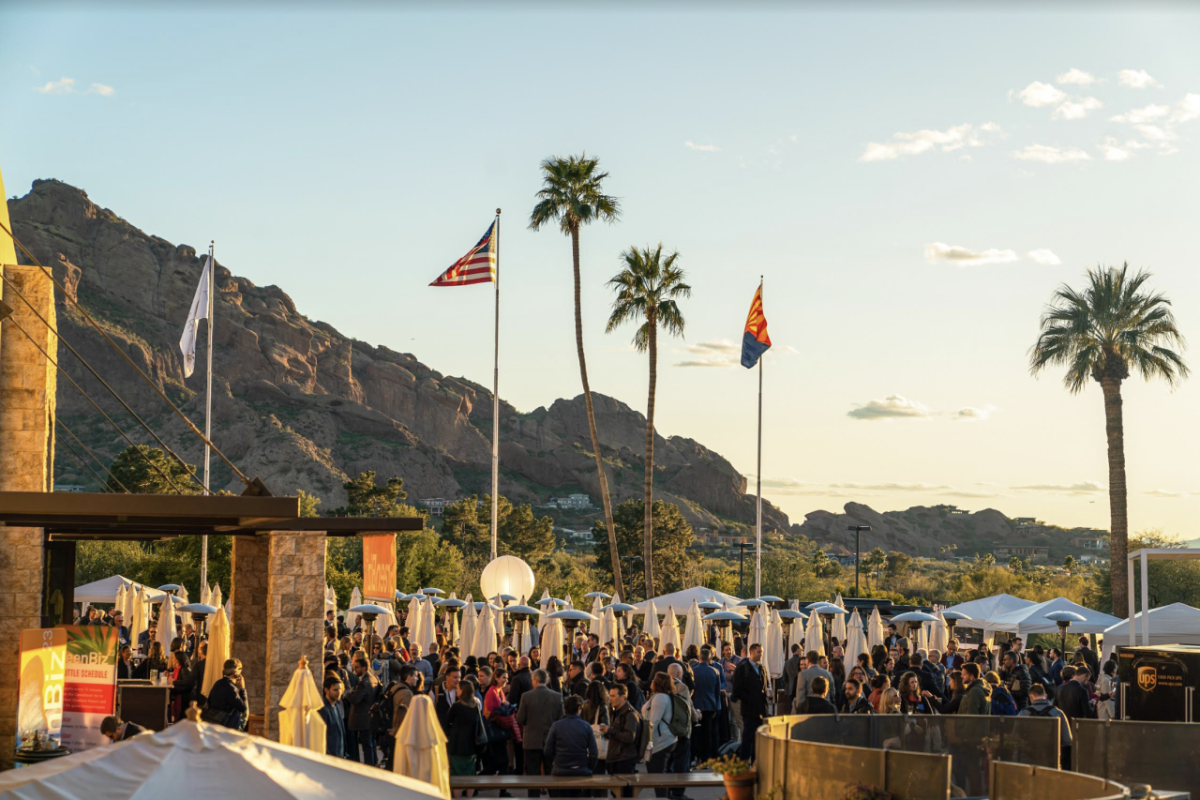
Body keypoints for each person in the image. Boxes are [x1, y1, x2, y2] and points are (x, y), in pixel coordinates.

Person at [517, 669, 565, 797]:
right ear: (547, 680)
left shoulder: (526, 696)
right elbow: (561, 719)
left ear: (535, 680)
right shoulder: (557, 696)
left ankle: (534, 798)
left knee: (533, 774)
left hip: (531, 741)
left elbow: (520, 719)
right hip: (551, 740)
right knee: (551, 773)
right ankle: (554, 797)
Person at [546, 694, 599, 784]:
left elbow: (547, 750)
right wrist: (589, 767)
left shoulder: (556, 726)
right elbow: (594, 753)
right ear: (579, 709)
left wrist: (557, 760)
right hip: (582, 769)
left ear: (565, 709)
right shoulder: (586, 726)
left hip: (560, 769)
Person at [731, 643, 769, 761]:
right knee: (748, 737)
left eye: (761, 652)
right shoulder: (743, 668)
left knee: (759, 738)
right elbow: (737, 690)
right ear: (751, 652)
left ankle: (756, 762)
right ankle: (744, 763)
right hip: (749, 710)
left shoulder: (761, 668)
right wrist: (750, 698)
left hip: (761, 710)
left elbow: (764, 686)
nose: (761, 654)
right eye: (759, 652)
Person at [643, 673, 678, 799]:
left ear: (658, 683)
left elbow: (654, 721)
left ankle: (662, 797)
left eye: (654, 680)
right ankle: (664, 796)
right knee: (662, 773)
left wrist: (646, 742)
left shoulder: (660, 698)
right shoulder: (663, 696)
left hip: (660, 741)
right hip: (667, 738)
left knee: (657, 775)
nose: (651, 682)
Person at [604, 684, 641, 795]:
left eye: (614, 696)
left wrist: (610, 731)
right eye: (610, 696)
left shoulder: (630, 714)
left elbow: (629, 737)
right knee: (616, 793)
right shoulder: (617, 711)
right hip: (615, 757)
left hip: (624, 759)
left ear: (623, 697)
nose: (611, 699)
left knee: (624, 793)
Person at [345, 655, 381, 765]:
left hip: (363, 718)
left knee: (367, 744)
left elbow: (355, 699)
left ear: (364, 668)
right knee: (371, 743)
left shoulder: (363, 682)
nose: (354, 670)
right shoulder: (374, 678)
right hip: (370, 717)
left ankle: (369, 766)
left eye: (356, 667)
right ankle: (373, 763)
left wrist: (348, 693)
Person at [691, 646, 722, 763]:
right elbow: (717, 692)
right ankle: (705, 758)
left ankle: (695, 756)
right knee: (707, 732)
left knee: (695, 732)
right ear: (710, 658)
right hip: (710, 705)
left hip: (695, 703)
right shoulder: (715, 671)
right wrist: (715, 707)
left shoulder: (692, 669)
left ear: (699, 657)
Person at [447, 682, 485, 778]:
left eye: (458, 688)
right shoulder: (475, 707)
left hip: (457, 745)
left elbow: (447, 721)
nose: (457, 690)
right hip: (472, 745)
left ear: (463, 691)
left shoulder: (456, 706)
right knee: (470, 772)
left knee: (456, 774)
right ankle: (470, 794)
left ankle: (458, 794)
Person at [205, 658, 249, 730]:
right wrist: (242, 689)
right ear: (235, 671)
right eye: (240, 669)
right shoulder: (230, 688)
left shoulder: (218, 683)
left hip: (213, 721)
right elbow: (243, 708)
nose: (241, 671)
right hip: (226, 725)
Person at [318, 676, 347, 759]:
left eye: (340, 689)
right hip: (330, 757)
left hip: (339, 755)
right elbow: (321, 736)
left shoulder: (337, 705)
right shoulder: (323, 709)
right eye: (335, 690)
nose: (339, 692)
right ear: (326, 690)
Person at [434, 665, 463, 731]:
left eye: (459, 677)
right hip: (441, 730)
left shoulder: (462, 691)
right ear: (447, 677)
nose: (458, 680)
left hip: (457, 731)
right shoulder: (437, 690)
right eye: (455, 677)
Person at [781, 643, 802, 711]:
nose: (801, 651)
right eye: (801, 649)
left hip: (789, 689)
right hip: (800, 688)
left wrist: (787, 686)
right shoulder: (802, 661)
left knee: (790, 709)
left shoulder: (787, 662)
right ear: (797, 650)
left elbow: (784, 677)